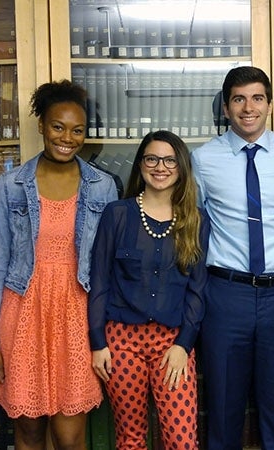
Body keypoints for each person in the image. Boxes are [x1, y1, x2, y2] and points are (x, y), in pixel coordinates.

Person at [0, 79, 118, 450]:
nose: (66, 137)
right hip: (23, 314)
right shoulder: (11, 186)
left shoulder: (103, 187)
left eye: (77, 130)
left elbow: (108, 268)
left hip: (77, 317)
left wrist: (107, 335)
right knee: (29, 432)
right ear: (41, 125)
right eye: (58, 126)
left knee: (70, 437)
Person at [190, 65, 274, 450]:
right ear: (226, 108)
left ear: (269, 104)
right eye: (239, 99)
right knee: (223, 411)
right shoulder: (203, 160)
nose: (248, 107)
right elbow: (197, 221)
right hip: (226, 296)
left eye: (257, 98)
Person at [89, 130, 210, 450]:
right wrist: (98, 342)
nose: (161, 167)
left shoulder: (196, 220)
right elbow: (100, 281)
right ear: (141, 165)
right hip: (121, 343)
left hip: (172, 343)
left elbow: (197, 290)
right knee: (131, 439)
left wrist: (184, 344)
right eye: (152, 158)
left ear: (182, 167)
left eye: (170, 160)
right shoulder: (117, 214)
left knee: (182, 441)